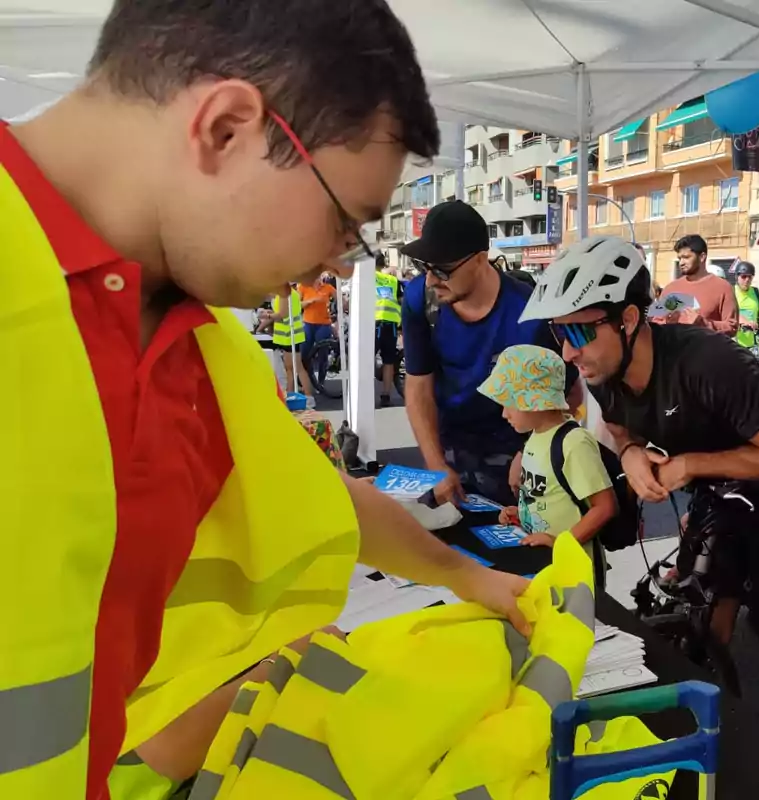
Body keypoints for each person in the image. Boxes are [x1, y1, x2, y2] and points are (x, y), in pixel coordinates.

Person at [0, 3, 531, 796]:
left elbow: (321, 500)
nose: (333, 265)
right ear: (227, 128)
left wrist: (469, 576)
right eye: (345, 223)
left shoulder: (202, 344)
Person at [519, 234, 759, 743]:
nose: (569, 352)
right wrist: (632, 453)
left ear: (630, 319)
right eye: (558, 333)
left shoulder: (710, 364)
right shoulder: (601, 371)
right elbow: (619, 430)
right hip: (722, 500)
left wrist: (688, 464)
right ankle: (720, 744)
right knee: (708, 625)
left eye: (578, 329)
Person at [400, 200, 580, 507]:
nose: (431, 280)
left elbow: (570, 396)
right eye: (424, 267)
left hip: (515, 449)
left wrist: (530, 452)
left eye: (442, 269)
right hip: (450, 446)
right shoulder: (422, 299)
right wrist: (435, 464)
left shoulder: (529, 313)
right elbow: (418, 386)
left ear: (480, 260)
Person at [477, 345, 616, 565]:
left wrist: (561, 542)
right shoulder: (535, 436)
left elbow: (604, 507)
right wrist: (522, 516)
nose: (504, 414)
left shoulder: (573, 442)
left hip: (574, 567)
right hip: (546, 562)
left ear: (537, 401)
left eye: (510, 404)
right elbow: (546, 497)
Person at [657, 233, 738, 334]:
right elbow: (656, 322)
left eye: (686, 257)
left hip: (708, 348)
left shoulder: (723, 287)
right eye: (679, 258)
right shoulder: (670, 289)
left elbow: (732, 327)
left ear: (702, 257)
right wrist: (667, 323)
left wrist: (703, 323)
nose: (681, 262)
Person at [264, 283, 317, 405]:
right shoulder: (288, 294)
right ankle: (291, 394)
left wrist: (267, 315)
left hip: (290, 335)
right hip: (288, 335)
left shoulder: (285, 294)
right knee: (290, 368)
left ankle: (308, 397)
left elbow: (282, 314)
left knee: (297, 367)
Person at [298, 271, 336, 389]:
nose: (318, 279)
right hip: (308, 323)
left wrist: (335, 307)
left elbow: (340, 299)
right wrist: (310, 301)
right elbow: (297, 304)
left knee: (323, 353)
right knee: (305, 353)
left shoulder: (328, 287)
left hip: (323, 324)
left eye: (319, 276)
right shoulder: (303, 287)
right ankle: (304, 379)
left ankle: (321, 382)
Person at [375, 252, 404, 406]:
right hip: (391, 324)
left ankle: (363, 393)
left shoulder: (368, 277)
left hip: (374, 322)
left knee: (366, 358)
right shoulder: (393, 280)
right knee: (389, 361)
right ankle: (386, 394)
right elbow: (401, 300)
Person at [732, 261, 759, 348]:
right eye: (743, 276)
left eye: (750, 277)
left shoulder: (756, 292)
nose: (747, 280)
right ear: (737, 277)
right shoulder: (730, 291)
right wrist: (747, 322)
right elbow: (731, 313)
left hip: (751, 344)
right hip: (733, 342)